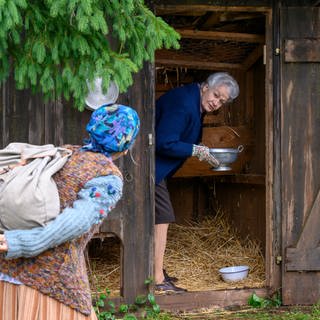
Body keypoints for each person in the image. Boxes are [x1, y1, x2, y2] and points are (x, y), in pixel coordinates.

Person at [0, 103, 140, 319]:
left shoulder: (66, 152)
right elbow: (75, 223)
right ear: (126, 145)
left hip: (8, 271)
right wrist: (21, 242)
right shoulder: (108, 177)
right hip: (49, 282)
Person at [154, 72, 239, 293]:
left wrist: (197, 149)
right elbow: (164, 142)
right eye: (215, 95)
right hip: (149, 168)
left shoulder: (195, 101)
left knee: (156, 217)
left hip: (157, 170)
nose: (216, 102)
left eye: (222, 101)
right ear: (205, 87)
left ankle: (156, 270)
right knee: (162, 216)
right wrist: (194, 149)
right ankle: (156, 279)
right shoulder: (183, 102)